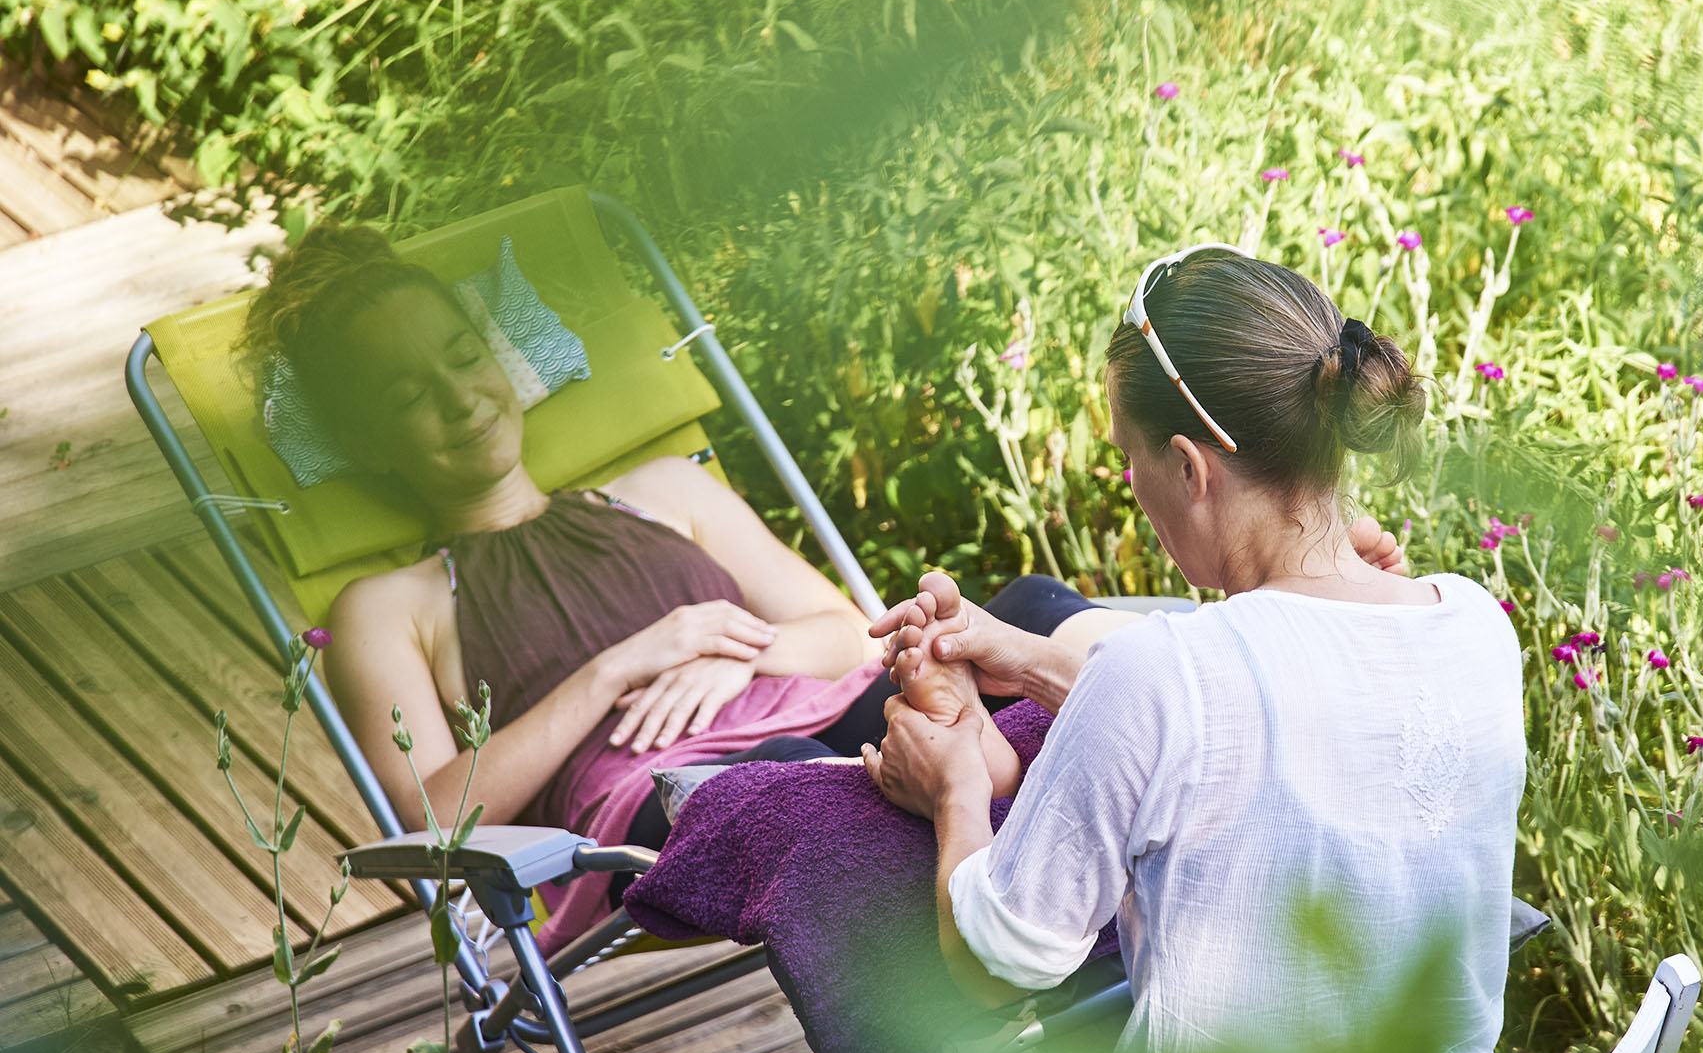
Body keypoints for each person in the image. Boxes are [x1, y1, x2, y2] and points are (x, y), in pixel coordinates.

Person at [860, 245, 1547, 1053]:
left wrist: (957, 786)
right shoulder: (1477, 624)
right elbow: (1258, 712)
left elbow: (998, 963)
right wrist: (1032, 661)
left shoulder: (1159, 674)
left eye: (1132, 462)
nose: (1132, 487)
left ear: (1191, 465)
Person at [242, 226, 1136, 949]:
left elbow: (848, 632)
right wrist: (619, 668)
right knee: (789, 789)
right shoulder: (390, 605)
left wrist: (737, 654)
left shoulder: (666, 489)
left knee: (1030, 611)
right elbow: (433, 820)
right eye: (407, 395)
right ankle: (1021, 936)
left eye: (462, 353)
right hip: (682, 803)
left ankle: (1167, 807)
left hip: (846, 725)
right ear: (365, 445)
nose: (457, 395)